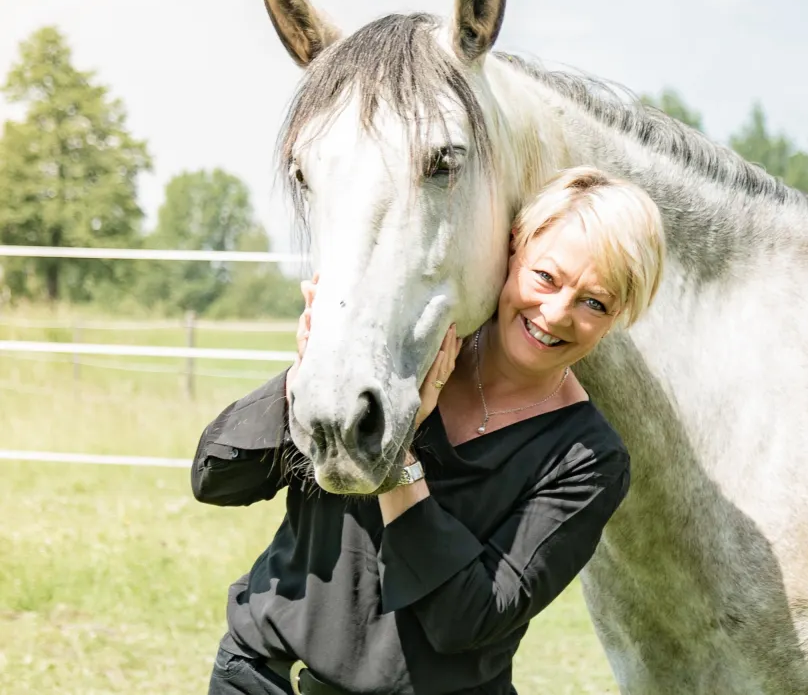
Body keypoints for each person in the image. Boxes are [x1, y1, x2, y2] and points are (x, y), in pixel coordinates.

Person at [193, 166, 666, 695]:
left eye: (594, 302)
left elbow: (466, 621)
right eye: (546, 277)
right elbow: (216, 479)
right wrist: (308, 376)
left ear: (619, 314)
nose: (555, 314)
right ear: (514, 247)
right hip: (259, 679)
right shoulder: (396, 355)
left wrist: (398, 455)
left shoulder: (588, 461)